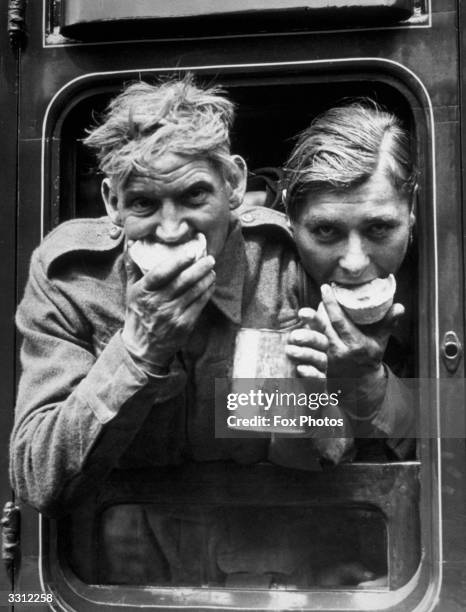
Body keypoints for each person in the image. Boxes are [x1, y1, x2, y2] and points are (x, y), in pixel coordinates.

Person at [10, 76, 338, 587]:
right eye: (143, 203)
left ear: (232, 185)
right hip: (116, 574)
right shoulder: (69, 278)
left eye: (193, 196)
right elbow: (38, 481)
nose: (171, 228)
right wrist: (138, 351)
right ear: (111, 202)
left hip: (267, 561)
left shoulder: (284, 262)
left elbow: (342, 444)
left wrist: (313, 406)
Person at [282, 100, 417, 461]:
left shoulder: (449, 281)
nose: (355, 263)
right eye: (326, 231)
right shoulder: (263, 283)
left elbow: (453, 435)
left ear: (413, 209)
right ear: (289, 220)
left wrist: (369, 384)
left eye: (379, 228)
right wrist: (311, 400)